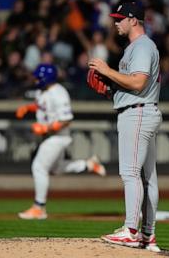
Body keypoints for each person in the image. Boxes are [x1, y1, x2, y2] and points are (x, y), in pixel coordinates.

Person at [88, 2, 162, 252]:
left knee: (131, 173)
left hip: (138, 113)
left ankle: (131, 231)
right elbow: (132, 85)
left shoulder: (141, 46)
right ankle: (147, 236)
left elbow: (139, 82)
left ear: (134, 20)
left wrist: (107, 71)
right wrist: (111, 89)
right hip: (142, 109)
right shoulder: (138, 47)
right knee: (147, 177)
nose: (116, 23)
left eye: (120, 18)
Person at [16, 63, 106, 220]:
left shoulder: (59, 93)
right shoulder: (42, 91)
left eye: (39, 77)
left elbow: (66, 119)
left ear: (47, 78)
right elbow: (41, 105)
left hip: (58, 137)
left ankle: (39, 207)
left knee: (39, 167)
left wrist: (45, 129)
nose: (36, 80)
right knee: (56, 168)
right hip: (51, 136)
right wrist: (28, 108)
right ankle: (89, 164)